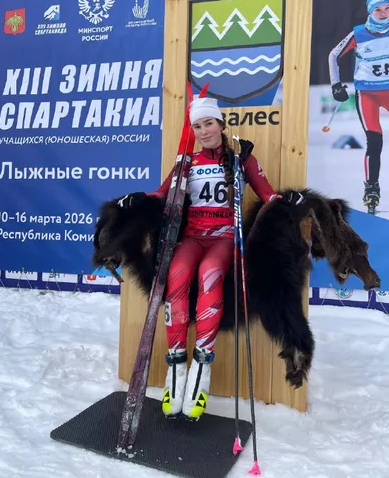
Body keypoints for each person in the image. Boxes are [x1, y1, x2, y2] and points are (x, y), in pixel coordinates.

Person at [119, 96, 303, 421]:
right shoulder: (186, 161)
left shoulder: (241, 158)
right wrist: (137, 199)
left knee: (210, 273)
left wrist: (290, 200)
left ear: (221, 124)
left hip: (224, 237)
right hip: (193, 236)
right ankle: (176, 366)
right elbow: (161, 193)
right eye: (198, 126)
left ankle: (201, 368)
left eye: (209, 124)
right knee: (177, 275)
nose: (204, 131)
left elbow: (268, 194)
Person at [328, 0, 389, 214]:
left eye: (387, 8)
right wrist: (336, 85)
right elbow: (333, 55)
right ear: (370, 12)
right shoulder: (359, 33)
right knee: (374, 142)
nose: (383, 14)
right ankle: (371, 189)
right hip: (367, 95)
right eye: (378, 10)